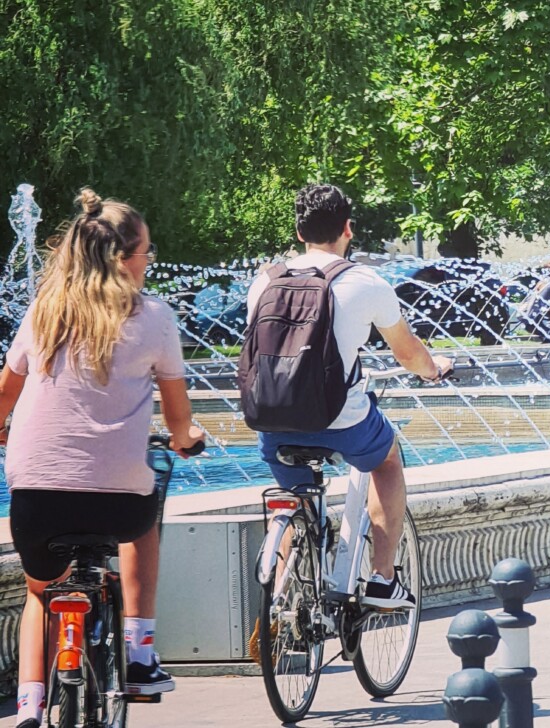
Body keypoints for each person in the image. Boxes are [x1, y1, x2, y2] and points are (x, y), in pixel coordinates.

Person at [0, 189, 205, 727]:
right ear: (122, 258)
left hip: (35, 501)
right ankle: (139, 655)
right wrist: (185, 439)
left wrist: (3, 430)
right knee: (147, 503)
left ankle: (28, 706)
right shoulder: (153, 317)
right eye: (146, 252)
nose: (149, 262)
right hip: (116, 504)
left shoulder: (44, 312)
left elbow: (5, 392)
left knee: (41, 594)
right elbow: (179, 420)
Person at [244, 184, 452, 609]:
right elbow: (409, 353)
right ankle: (382, 578)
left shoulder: (264, 281)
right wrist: (434, 369)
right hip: (340, 420)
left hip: (272, 421)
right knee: (387, 459)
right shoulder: (364, 282)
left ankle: (282, 601)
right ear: (347, 229)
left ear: (300, 232)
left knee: (295, 500)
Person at [522, 261, 550, 343]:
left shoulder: (541, 284)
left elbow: (540, 303)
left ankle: (543, 351)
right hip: (540, 321)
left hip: (526, 322)